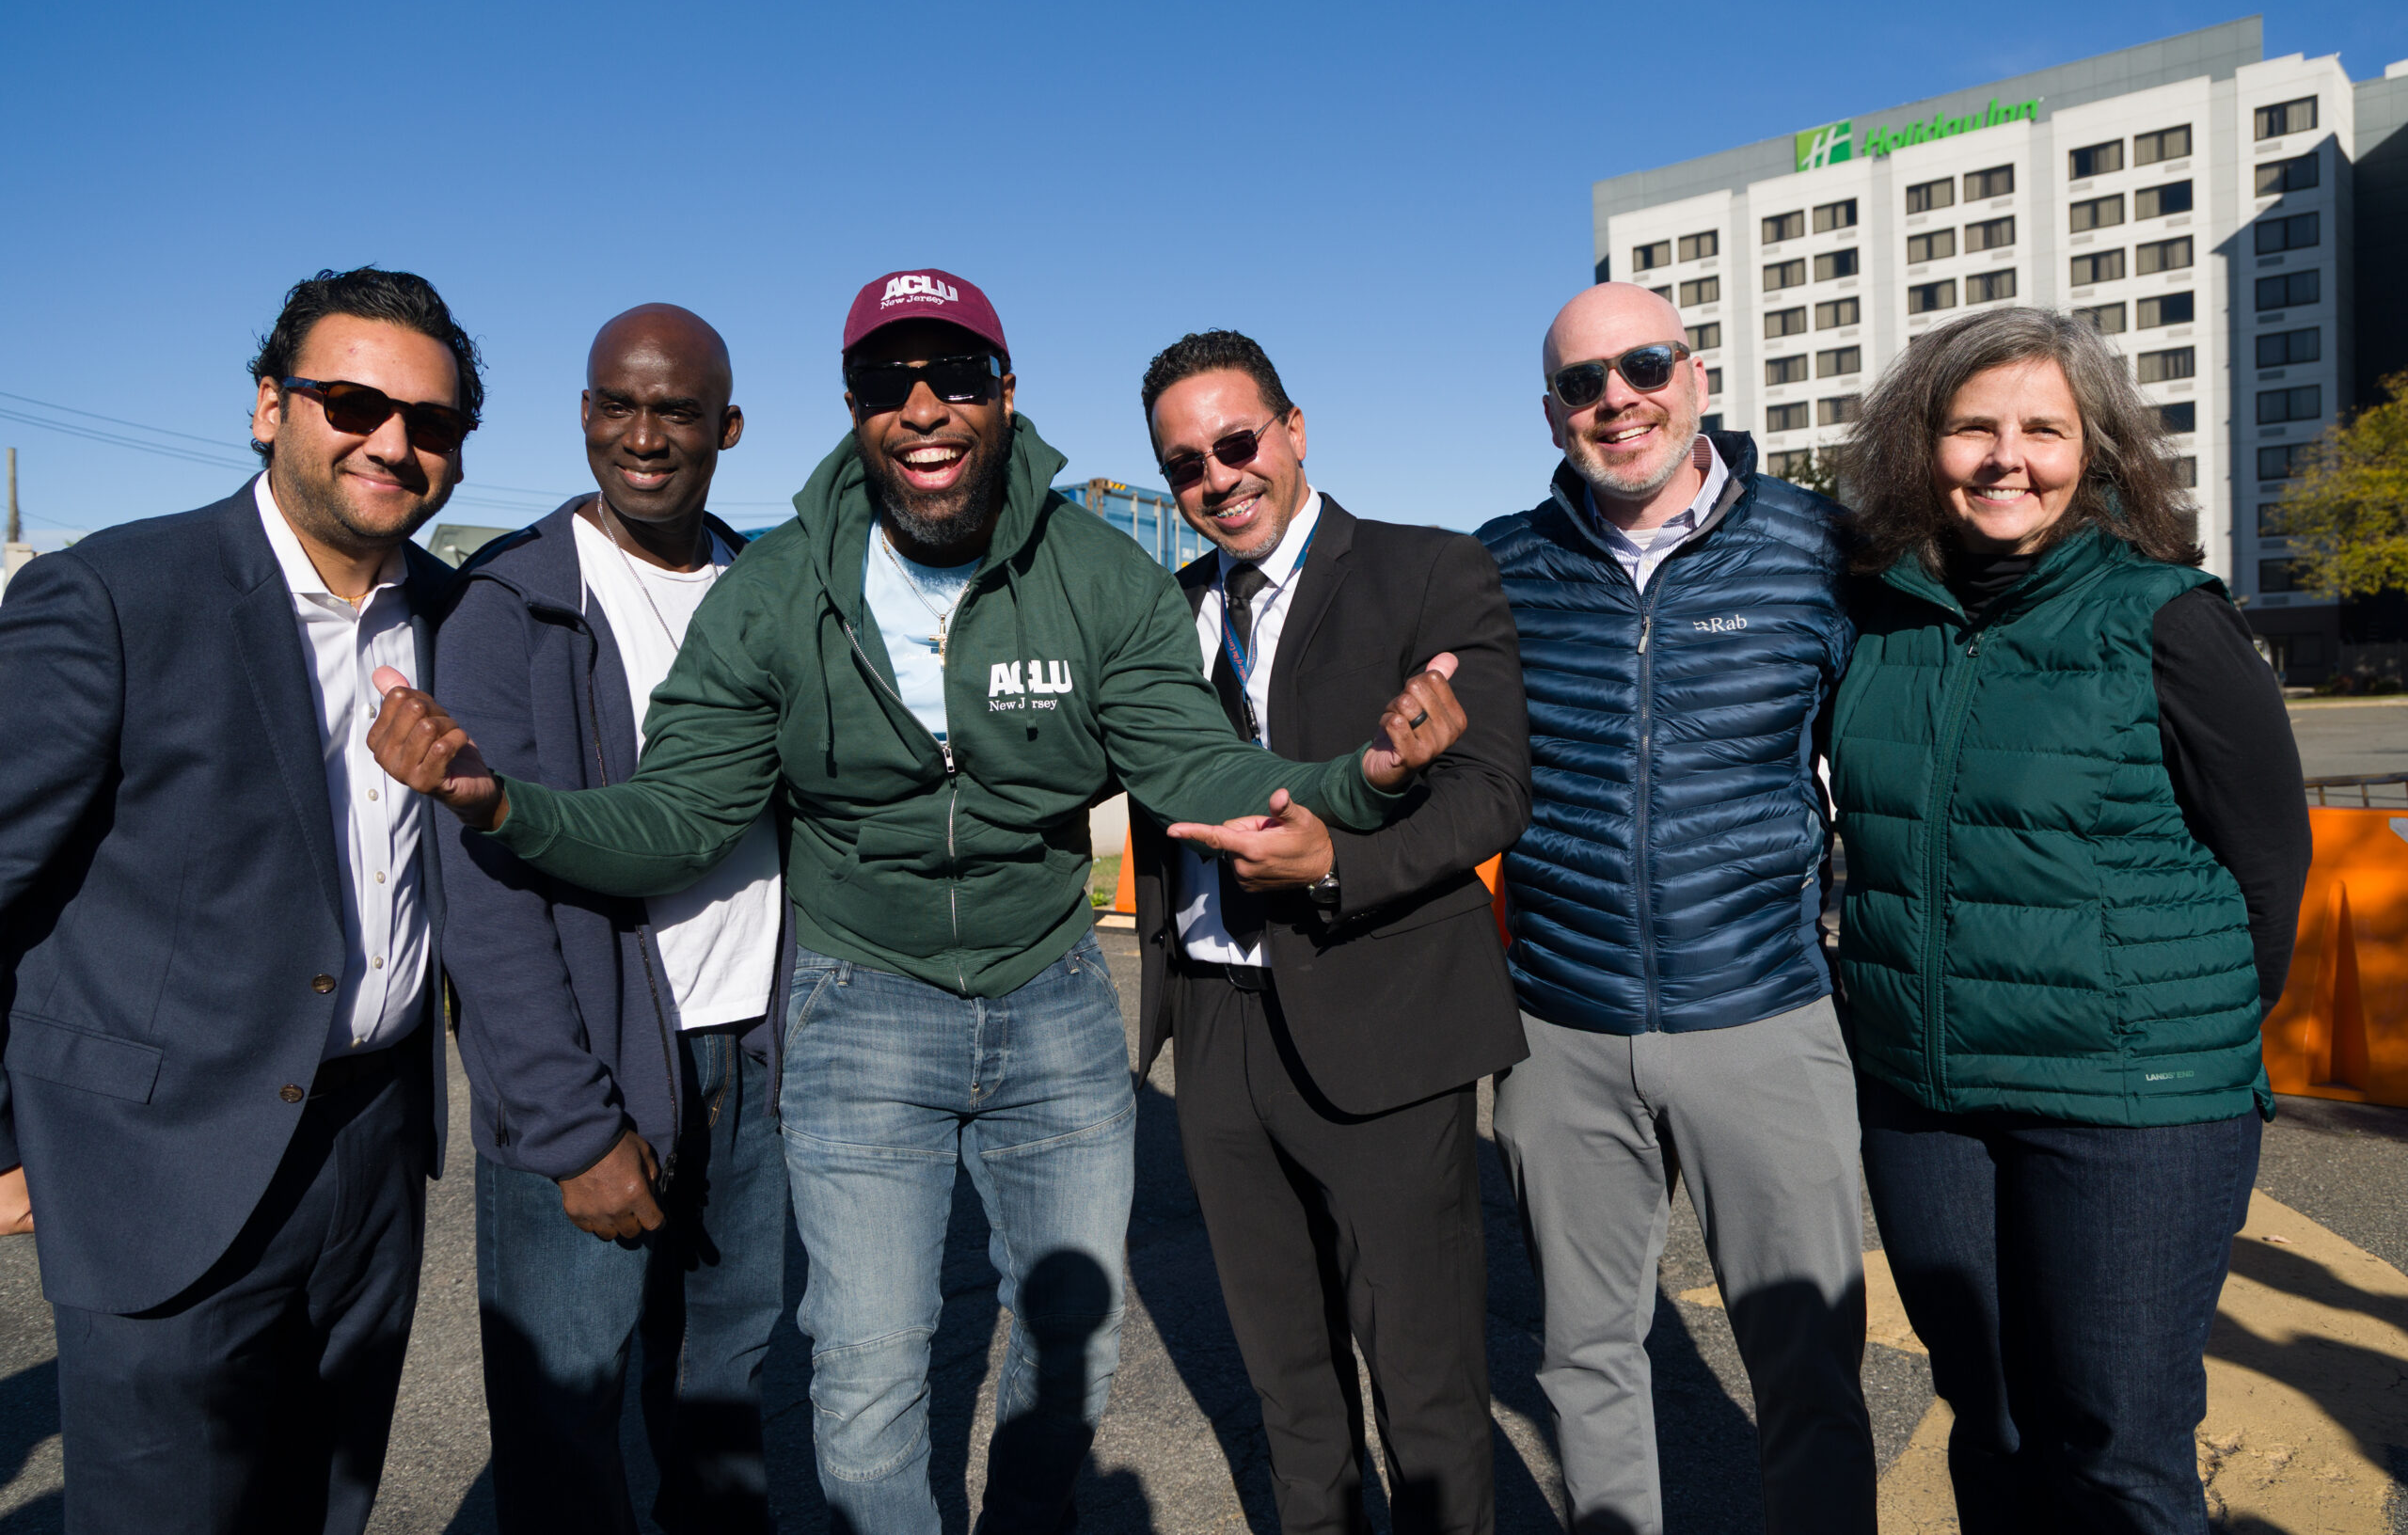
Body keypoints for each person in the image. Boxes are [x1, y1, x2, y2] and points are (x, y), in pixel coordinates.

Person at [364, 269, 1470, 1535]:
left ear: (1006, 395)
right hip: (859, 999)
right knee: (869, 1371)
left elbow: (1194, 764)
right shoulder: (774, 592)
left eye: (955, 376)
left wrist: (1360, 780)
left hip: (1052, 991)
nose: (926, 406)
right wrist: (500, 800)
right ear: (854, 409)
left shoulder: (1099, 577)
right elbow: (674, 816)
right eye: (892, 383)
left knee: (1076, 1347)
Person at [0, 267, 474, 1533]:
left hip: (373, 1152)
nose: (392, 439)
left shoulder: (455, 616)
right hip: (162, 1155)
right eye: (352, 400)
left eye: (430, 421)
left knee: (326, 1501)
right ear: (271, 405)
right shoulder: (113, 595)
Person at [1828, 306, 2311, 1534]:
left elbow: (2268, 856)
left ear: (2092, 452)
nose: (2008, 456)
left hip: (2130, 1101)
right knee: (1986, 1423)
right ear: (1918, 445)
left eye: (2043, 428)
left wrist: (2176, 1041)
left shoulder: (2167, 617)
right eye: (1973, 426)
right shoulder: (1876, 619)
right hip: (1929, 1094)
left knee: (2115, 1443)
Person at [1476, 282, 1875, 1534]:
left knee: (1809, 1366)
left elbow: (1905, 752)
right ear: (1553, 414)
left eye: (1641, 364)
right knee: (1584, 1355)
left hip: (1762, 1011)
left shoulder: (1820, 546)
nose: (1617, 398)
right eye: (1584, 383)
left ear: (1696, 374)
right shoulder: (1500, 566)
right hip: (1561, 1025)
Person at [1127, 331, 1530, 1535]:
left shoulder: (1427, 572)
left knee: (1427, 1393)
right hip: (1214, 1023)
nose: (1217, 480)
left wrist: (1340, 864)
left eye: (1237, 444)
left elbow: (1491, 791)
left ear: (1294, 430)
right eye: (1186, 464)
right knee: (1289, 1396)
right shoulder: (1166, 613)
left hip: (1381, 1019)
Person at [436, 305, 789, 1533]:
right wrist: (569, 1124)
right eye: (618, 404)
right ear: (586, 412)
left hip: (756, 1064)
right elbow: (481, 891)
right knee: (567, 1432)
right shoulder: (512, 605)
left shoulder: (768, 593)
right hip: (598, 1072)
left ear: (725, 427)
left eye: (676, 410)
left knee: (726, 1408)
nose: (644, 435)